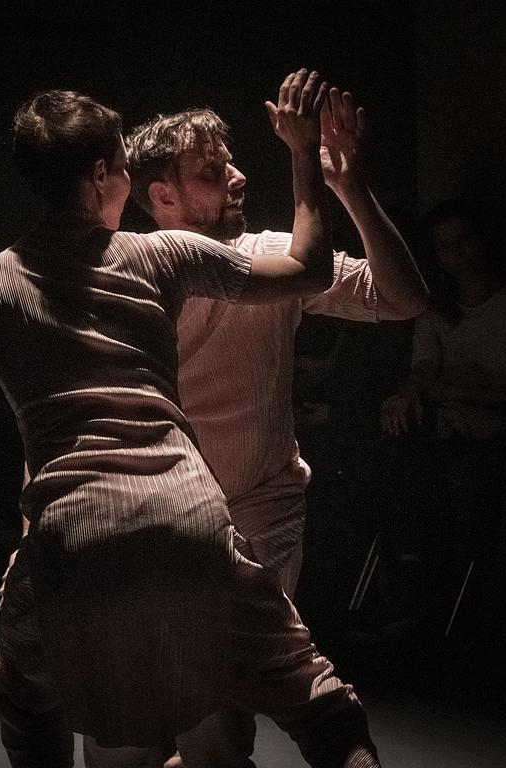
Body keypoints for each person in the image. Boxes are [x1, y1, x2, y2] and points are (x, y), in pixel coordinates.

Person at [0, 71, 382, 767]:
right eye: (124, 166)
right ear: (101, 175)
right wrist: (305, 155)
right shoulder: (161, 255)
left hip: (71, 535)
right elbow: (307, 269)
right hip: (190, 517)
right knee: (319, 705)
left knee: (29, 704)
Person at [79, 88, 427, 768]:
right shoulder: (134, 268)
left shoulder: (273, 254)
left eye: (231, 161)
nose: (238, 176)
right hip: (155, 519)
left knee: (218, 720)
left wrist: (348, 186)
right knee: (128, 731)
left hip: (259, 511)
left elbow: (402, 297)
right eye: (213, 171)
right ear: (163, 196)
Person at [377, 197, 506, 647]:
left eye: (464, 240)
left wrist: (448, 391)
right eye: (445, 246)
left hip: (500, 432)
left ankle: (452, 611)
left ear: (482, 239)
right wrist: (411, 394)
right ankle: (407, 584)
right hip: (447, 427)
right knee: (396, 451)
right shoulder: (436, 309)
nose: (458, 254)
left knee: (462, 477)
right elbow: (424, 370)